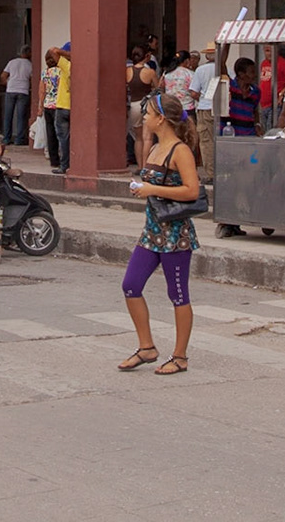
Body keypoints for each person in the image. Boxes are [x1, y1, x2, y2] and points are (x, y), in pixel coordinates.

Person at [119, 91, 202, 377]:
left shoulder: (180, 151)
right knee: (131, 285)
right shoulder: (153, 148)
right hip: (151, 233)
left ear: (161, 119)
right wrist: (141, 189)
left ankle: (180, 356)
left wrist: (151, 189)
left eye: (149, 114)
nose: (144, 118)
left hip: (175, 236)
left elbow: (192, 191)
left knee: (177, 294)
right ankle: (146, 347)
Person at [187, 43, 219, 185]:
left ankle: (211, 173)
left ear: (207, 55)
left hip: (205, 107)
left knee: (206, 141)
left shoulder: (201, 70)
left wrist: (202, 97)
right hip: (222, 108)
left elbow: (193, 92)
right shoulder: (226, 69)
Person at [123, 46, 158, 169]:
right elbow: (157, 89)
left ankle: (139, 166)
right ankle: (146, 165)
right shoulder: (150, 72)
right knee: (148, 138)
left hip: (133, 104)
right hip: (147, 104)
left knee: (138, 138)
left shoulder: (127, 71)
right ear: (146, 57)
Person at [0, 45, 35, 147]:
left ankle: (6, 138)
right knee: (21, 116)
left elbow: (3, 76)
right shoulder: (30, 65)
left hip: (11, 90)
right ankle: (19, 139)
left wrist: (8, 83)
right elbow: (32, 79)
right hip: (23, 90)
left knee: (8, 115)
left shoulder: (12, 62)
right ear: (29, 54)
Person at [39, 47, 63, 170]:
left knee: (50, 133)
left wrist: (40, 106)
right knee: (61, 133)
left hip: (47, 104)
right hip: (58, 104)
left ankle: (54, 160)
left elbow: (42, 91)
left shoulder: (45, 73)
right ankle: (62, 157)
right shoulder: (60, 72)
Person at [225, 57, 260, 138]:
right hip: (232, 135)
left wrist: (257, 124)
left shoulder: (256, 91)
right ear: (241, 74)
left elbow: (254, 110)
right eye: (252, 72)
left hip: (250, 136)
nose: (255, 75)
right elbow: (221, 64)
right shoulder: (230, 86)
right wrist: (227, 45)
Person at [53, 42, 72, 172]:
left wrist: (67, 54)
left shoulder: (66, 65)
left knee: (63, 138)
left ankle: (64, 165)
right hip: (74, 106)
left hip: (63, 105)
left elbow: (53, 50)